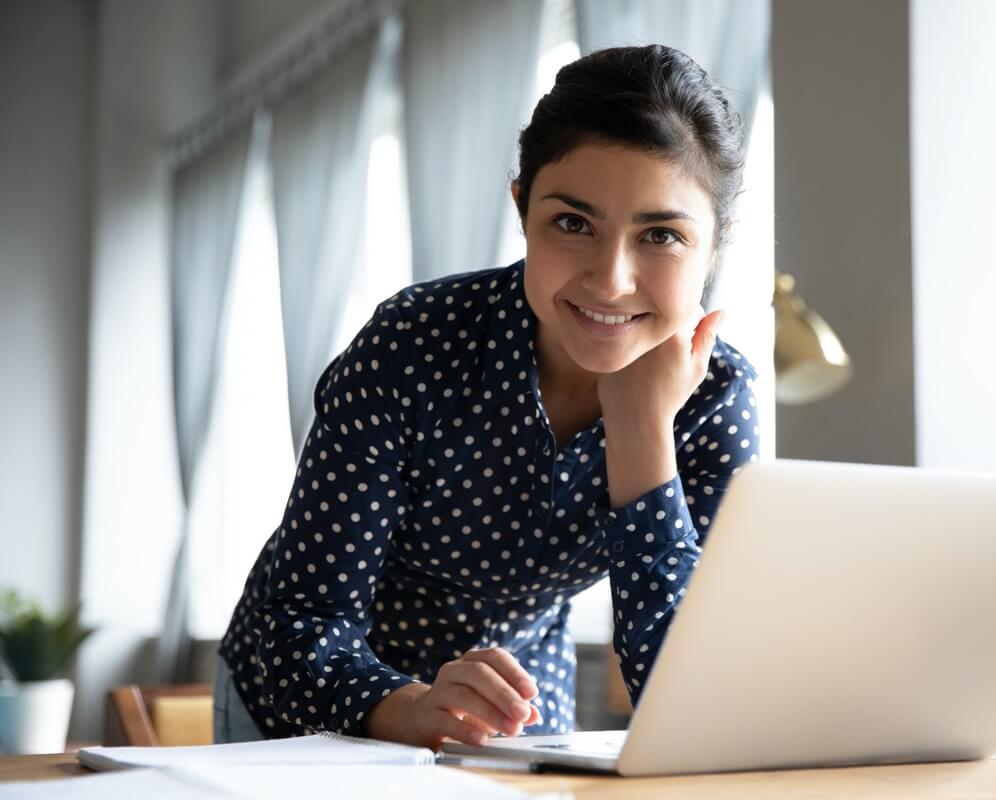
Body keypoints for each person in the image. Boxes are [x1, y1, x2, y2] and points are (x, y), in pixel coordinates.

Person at [215, 43, 761, 750]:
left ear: (714, 247)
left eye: (661, 235)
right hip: (308, 702)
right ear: (522, 209)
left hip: (517, 712)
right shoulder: (413, 344)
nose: (611, 280)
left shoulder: (715, 399)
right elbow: (299, 624)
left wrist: (641, 432)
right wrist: (407, 705)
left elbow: (689, 693)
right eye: (572, 223)